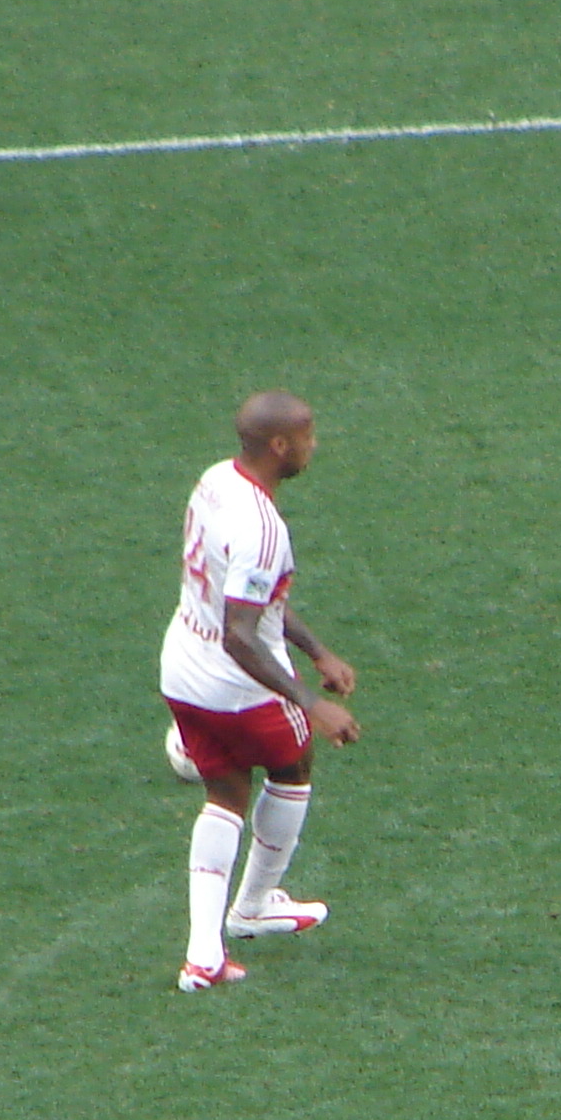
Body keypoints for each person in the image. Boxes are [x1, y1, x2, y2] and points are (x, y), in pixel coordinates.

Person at [159, 392, 359, 992]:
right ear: (279, 446)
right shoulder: (264, 529)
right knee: (293, 765)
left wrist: (317, 650)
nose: (313, 445)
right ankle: (253, 906)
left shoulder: (215, 480)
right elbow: (241, 634)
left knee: (224, 795)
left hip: (183, 668)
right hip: (236, 683)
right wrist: (311, 702)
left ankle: (203, 955)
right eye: (307, 436)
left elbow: (249, 598)